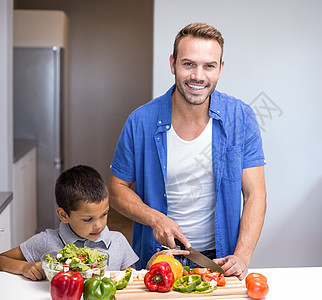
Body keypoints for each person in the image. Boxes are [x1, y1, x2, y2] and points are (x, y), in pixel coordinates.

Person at [108, 22, 266, 280]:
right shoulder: (140, 121)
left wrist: (242, 255)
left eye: (209, 66)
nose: (198, 76)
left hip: (220, 261)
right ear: (173, 64)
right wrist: (155, 218)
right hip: (159, 259)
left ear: (220, 69)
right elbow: (116, 189)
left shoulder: (240, 118)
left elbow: (255, 194)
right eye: (188, 64)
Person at [0, 165, 139, 280]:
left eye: (104, 214)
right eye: (88, 219)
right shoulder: (46, 241)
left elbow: (130, 280)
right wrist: (24, 267)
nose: (99, 225)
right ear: (63, 215)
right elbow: (2, 259)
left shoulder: (118, 241)